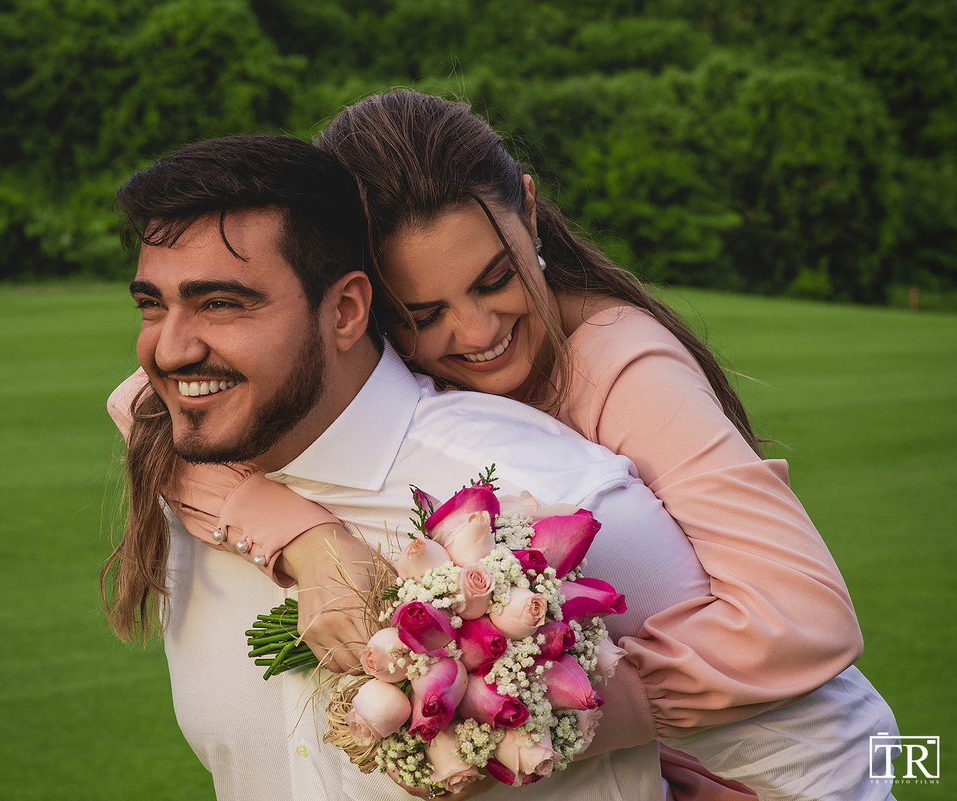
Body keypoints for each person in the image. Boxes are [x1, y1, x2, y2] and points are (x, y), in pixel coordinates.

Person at [103, 133, 896, 800]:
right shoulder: (245, 397)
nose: (478, 332)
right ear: (365, 309)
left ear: (527, 207)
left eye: (495, 279)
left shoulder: (618, 363)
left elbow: (808, 623)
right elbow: (150, 404)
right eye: (424, 313)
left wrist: (518, 711)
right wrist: (305, 537)